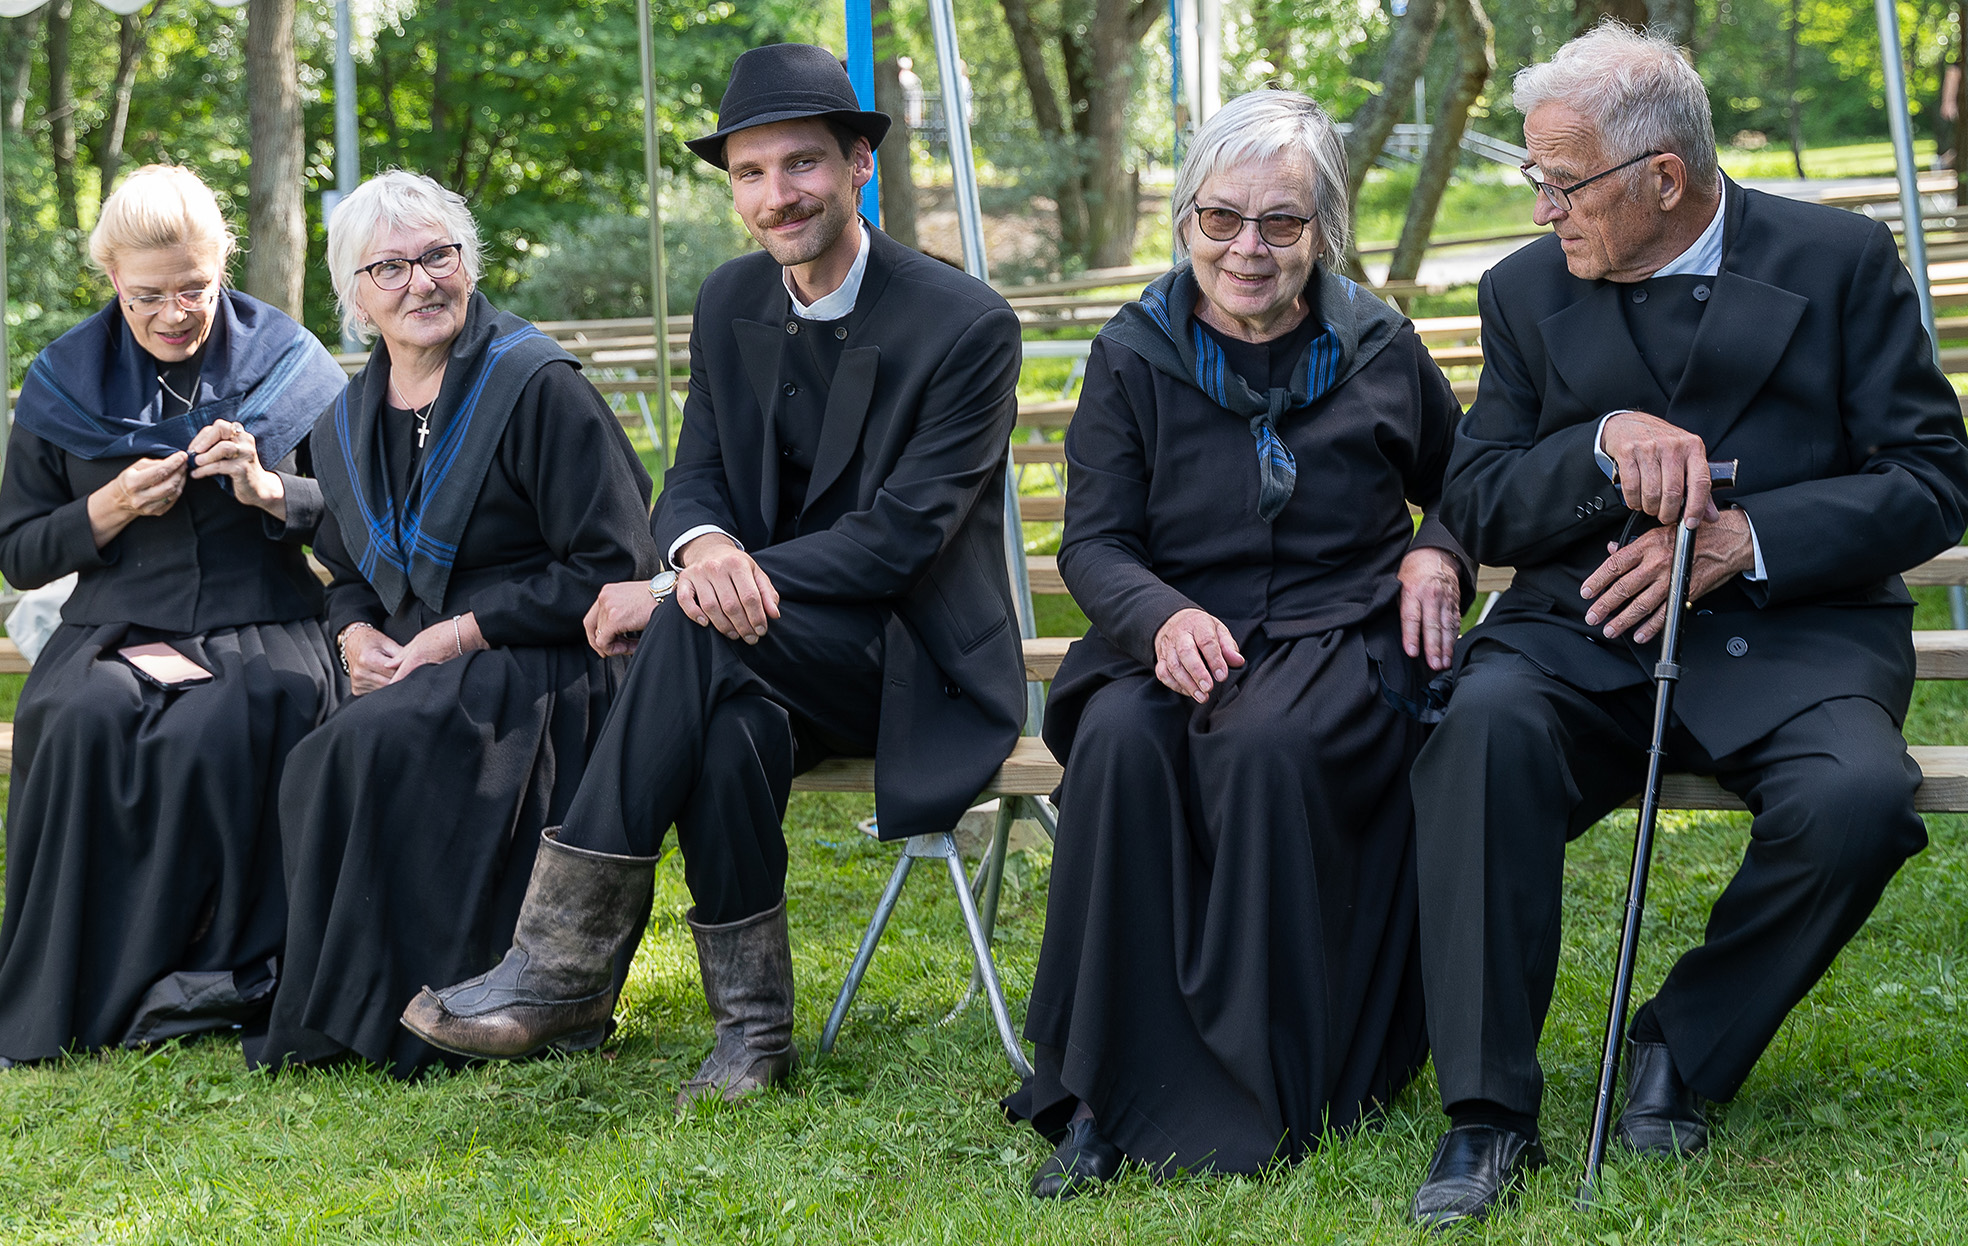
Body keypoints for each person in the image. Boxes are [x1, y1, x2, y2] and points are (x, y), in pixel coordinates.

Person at [1407, 24, 1968, 1228]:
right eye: (1536, 180)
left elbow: (1932, 478)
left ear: (1663, 177)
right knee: (1482, 733)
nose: (1545, 206)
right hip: (1582, 630)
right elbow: (1479, 493)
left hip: (1799, 630)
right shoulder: (1522, 287)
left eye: (1564, 182)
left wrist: (1741, 541)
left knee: (1858, 799)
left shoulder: (1840, 260)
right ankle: (1487, 1116)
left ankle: (1682, 1049)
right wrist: (1597, 446)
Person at [400, 42, 1025, 1107]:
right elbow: (691, 481)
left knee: (691, 628)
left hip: (913, 663)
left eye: (802, 165)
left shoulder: (963, 325)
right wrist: (700, 551)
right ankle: (753, 1037)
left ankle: (563, 962)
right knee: (724, 697)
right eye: (749, 172)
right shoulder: (731, 298)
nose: (775, 196)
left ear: (860, 163)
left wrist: (677, 586)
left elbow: (899, 541)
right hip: (760, 650)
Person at [998, 90, 1470, 1196]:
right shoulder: (1133, 352)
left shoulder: (1380, 345)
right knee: (1116, 743)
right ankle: (1100, 1097)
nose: (1246, 249)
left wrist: (1436, 550)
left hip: (1338, 633)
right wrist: (1159, 616)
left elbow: (1468, 483)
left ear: (1325, 231)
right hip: (1169, 631)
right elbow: (1097, 544)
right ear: (1186, 221)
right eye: (1220, 219)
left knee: (1263, 748)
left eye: (1282, 223)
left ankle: (1266, 1086)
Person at [245, 171, 658, 1078]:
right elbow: (347, 572)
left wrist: (462, 631)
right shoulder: (344, 420)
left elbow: (614, 567)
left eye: (438, 256)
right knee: (325, 752)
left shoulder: (535, 386)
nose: (421, 283)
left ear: (468, 263)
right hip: (420, 669)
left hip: (547, 664)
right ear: (355, 297)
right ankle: (351, 1007)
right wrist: (355, 633)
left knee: (377, 744)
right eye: (388, 268)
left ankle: (450, 1004)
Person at [0, 164, 348, 1065]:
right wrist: (108, 508)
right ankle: (89, 988)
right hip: (114, 626)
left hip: (266, 615)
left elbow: (363, 519)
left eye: (194, 288)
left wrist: (272, 492)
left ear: (222, 264)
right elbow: (21, 551)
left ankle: (223, 981)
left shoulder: (288, 362)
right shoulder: (63, 380)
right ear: (110, 276)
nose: (172, 313)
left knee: (230, 720)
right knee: (76, 720)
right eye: (146, 294)